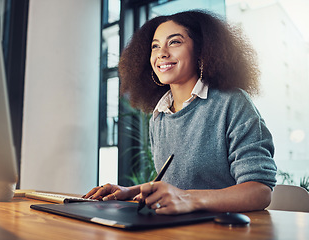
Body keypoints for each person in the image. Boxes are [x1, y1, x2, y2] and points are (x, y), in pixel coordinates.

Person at [83, 10, 277, 215]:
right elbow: (176, 183)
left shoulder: (232, 103)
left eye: (174, 42)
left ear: (201, 49)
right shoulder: (159, 115)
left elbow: (260, 191)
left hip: (225, 229)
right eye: (155, 46)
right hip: (176, 228)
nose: (161, 53)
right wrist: (129, 191)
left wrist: (187, 199)